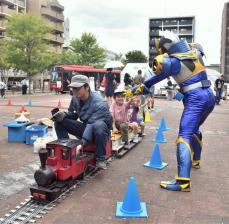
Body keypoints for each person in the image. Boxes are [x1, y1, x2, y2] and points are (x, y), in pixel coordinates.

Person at [130, 31, 215, 191]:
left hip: (196, 98)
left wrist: (137, 89)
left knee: (184, 136)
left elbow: (155, 78)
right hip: (209, 94)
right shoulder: (194, 51)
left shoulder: (172, 61)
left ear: (163, 49)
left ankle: (183, 181)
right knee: (194, 128)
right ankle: (196, 160)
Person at [51, 74, 112, 170]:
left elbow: (92, 125)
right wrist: (64, 115)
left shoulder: (100, 103)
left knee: (98, 125)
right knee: (59, 122)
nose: (74, 91)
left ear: (87, 87)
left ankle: (101, 158)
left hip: (99, 133)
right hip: (86, 128)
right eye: (72, 88)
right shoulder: (75, 98)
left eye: (77, 88)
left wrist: (82, 143)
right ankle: (66, 150)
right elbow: (73, 115)